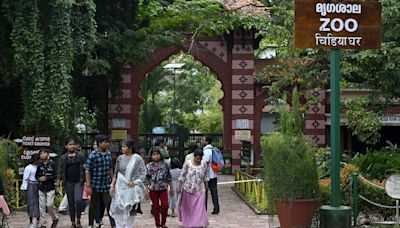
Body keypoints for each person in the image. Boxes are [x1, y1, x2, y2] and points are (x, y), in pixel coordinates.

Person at [109, 139, 146, 228]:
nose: (122, 148)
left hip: (132, 188)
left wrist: (135, 182)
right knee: (118, 209)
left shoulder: (137, 159)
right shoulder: (120, 158)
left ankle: (129, 226)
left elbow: (143, 173)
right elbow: (116, 173)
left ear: (130, 148)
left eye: (124, 146)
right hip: (120, 187)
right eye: (122, 146)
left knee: (130, 209)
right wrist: (112, 185)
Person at [86, 134, 116, 228]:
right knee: (93, 206)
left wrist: (112, 182)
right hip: (95, 185)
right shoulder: (92, 156)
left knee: (110, 205)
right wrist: (88, 186)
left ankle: (114, 225)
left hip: (106, 185)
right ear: (99, 143)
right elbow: (88, 171)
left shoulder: (108, 153)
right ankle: (91, 223)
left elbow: (110, 168)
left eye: (108, 142)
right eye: (105, 142)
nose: (107, 144)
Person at [56, 138, 86, 228]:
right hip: (68, 183)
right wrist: (57, 184)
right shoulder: (63, 158)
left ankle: (78, 219)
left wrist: (88, 181)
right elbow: (60, 171)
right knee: (71, 202)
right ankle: (73, 222)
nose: (72, 146)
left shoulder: (80, 155)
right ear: (66, 146)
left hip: (79, 182)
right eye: (70, 144)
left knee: (78, 200)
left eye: (73, 144)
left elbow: (86, 168)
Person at [178, 148, 209, 227]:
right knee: (188, 208)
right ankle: (188, 222)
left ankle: (198, 223)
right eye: (197, 158)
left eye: (200, 158)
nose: (198, 160)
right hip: (188, 188)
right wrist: (179, 186)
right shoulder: (188, 163)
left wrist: (206, 185)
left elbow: (205, 175)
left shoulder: (204, 163)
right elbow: (182, 175)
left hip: (199, 189)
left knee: (200, 208)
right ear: (194, 156)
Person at [145, 147, 171, 228]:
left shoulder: (165, 164)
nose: (156, 156)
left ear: (160, 155)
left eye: (157, 154)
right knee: (155, 207)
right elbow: (146, 179)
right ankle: (157, 224)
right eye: (154, 155)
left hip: (163, 188)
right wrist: (146, 190)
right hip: (153, 189)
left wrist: (172, 188)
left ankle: (163, 222)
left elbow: (169, 177)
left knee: (165, 205)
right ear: (151, 156)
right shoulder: (148, 166)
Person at [35, 148, 59, 228]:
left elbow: (55, 176)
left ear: (47, 154)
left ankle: (55, 218)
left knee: (49, 205)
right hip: (41, 188)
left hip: (50, 187)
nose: (42, 155)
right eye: (41, 154)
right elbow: (36, 175)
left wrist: (47, 178)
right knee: (41, 207)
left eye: (44, 153)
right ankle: (43, 224)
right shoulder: (39, 165)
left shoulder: (52, 164)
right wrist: (39, 179)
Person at [20, 153, 40, 228]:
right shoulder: (28, 168)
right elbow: (25, 179)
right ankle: (31, 221)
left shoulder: (39, 167)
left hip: (39, 185)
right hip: (31, 185)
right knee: (31, 203)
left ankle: (38, 220)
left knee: (39, 203)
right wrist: (24, 189)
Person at [202, 135, 220, 215]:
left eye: (203, 140)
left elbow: (205, 162)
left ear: (207, 141)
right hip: (214, 174)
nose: (202, 141)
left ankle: (204, 209)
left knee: (205, 192)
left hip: (208, 174)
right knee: (214, 192)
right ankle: (216, 209)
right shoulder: (213, 149)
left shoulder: (206, 151)